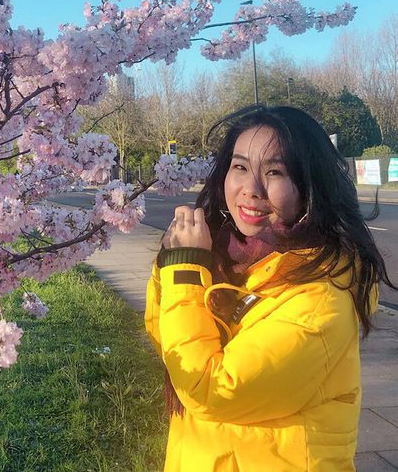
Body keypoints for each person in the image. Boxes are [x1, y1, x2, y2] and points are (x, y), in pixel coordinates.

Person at [144, 105, 395, 471]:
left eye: (275, 172)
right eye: (240, 167)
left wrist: (184, 270)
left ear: (310, 186)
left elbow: (210, 389)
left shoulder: (321, 296)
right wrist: (175, 263)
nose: (251, 190)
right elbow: (168, 337)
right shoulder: (226, 258)